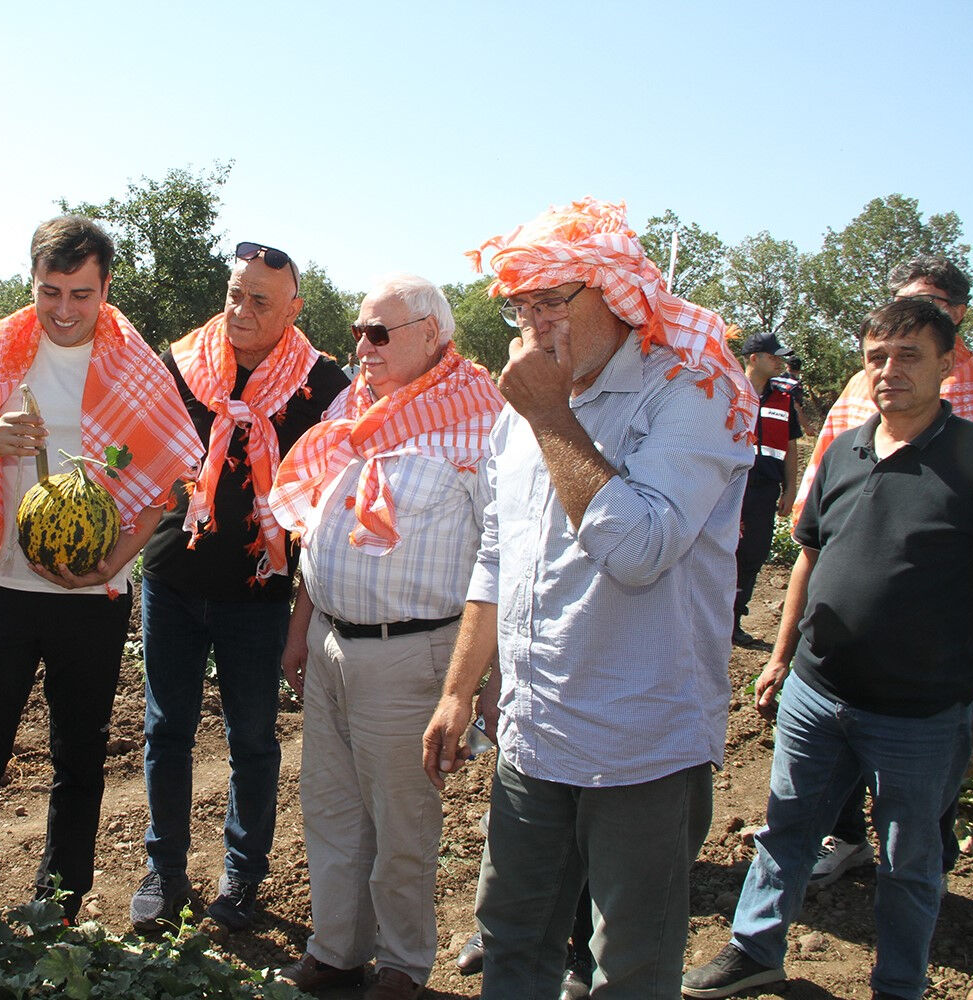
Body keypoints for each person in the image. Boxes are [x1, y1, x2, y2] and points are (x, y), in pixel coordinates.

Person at [422, 198, 755, 999]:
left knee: (630, 968)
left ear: (619, 296)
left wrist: (548, 415)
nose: (535, 322)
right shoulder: (522, 413)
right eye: (522, 304)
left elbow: (639, 551)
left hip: (641, 742)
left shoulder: (689, 393)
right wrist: (458, 691)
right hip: (535, 733)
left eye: (552, 301)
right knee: (514, 941)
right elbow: (500, 559)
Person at [682, 298, 973, 1000]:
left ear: (948, 363)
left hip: (920, 712)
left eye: (908, 355)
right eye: (876, 356)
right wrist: (782, 658)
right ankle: (755, 950)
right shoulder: (845, 448)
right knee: (786, 830)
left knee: (909, 862)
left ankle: (899, 983)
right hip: (819, 692)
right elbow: (809, 560)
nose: (888, 370)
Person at [0, 215, 200, 924]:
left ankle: (60, 903)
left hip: (92, 596)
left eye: (82, 293)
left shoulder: (135, 363)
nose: (65, 310)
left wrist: (114, 559)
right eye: (52, 292)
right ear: (34, 284)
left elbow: (173, 478)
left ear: (105, 288)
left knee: (78, 758)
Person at [269, 274, 503, 999]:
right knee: (331, 810)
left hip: (414, 653)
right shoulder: (354, 406)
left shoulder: (480, 419)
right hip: (336, 644)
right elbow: (321, 523)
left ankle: (403, 965)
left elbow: (502, 553)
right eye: (358, 333)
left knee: (402, 825)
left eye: (379, 332)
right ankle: (337, 951)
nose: (361, 347)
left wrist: (480, 681)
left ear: (431, 334)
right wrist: (302, 626)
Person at [128, 241, 346, 933]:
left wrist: (303, 617)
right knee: (167, 730)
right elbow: (145, 457)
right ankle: (163, 869)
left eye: (259, 299)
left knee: (252, 736)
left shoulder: (322, 386)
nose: (240, 309)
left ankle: (242, 874)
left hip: (258, 593)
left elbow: (325, 507)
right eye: (234, 293)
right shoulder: (183, 363)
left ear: (293, 309)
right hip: (171, 577)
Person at [792, 254, 973, 892]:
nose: (891, 364)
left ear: (954, 322)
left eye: (925, 308)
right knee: (816, 783)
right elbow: (829, 477)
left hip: (932, 663)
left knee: (918, 805)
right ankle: (844, 840)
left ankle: (919, 900)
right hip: (836, 658)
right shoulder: (865, 385)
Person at [732, 331, 801, 645]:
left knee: (753, 553)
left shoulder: (784, 399)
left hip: (763, 489)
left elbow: (790, 447)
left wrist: (790, 489)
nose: (779, 362)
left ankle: (733, 621)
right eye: (773, 356)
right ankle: (708, 619)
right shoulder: (727, 389)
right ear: (753, 359)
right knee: (721, 551)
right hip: (729, 485)